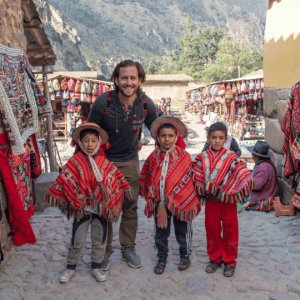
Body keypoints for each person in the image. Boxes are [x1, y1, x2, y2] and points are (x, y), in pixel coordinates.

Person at [87, 60, 157, 269]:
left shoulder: (145, 104)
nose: (128, 82)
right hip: (104, 162)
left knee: (130, 206)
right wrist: (81, 166)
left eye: (133, 78)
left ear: (140, 80)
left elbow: (158, 130)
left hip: (130, 161)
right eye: (124, 78)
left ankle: (128, 248)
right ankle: (105, 250)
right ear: (116, 80)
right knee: (105, 206)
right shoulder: (103, 102)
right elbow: (88, 132)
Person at [45, 123, 133, 283]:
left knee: (99, 240)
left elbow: (116, 180)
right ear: (80, 142)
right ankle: (70, 268)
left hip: (100, 210)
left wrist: (111, 195)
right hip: (82, 210)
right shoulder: (74, 162)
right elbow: (65, 180)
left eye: (93, 141)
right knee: (77, 240)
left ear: (99, 142)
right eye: (86, 141)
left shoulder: (104, 163)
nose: (90, 144)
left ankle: (96, 267)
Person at [139, 116, 201, 274]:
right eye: (163, 136)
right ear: (158, 137)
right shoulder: (153, 157)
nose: (166, 139)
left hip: (182, 202)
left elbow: (189, 179)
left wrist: (188, 195)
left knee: (183, 230)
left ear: (176, 137)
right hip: (160, 203)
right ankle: (161, 257)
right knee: (160, 231)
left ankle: (185, 255)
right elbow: (148, 176)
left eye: (170, 136)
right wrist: (152, 194)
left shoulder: (184, 157)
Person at [193, 122, 254, 277]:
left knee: (230, 230)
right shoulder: (203, 157)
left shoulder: (231, 157)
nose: (217, 141)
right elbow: (197, 174)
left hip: (229, 201)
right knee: (212, 229)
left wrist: (247, 180)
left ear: (226, 139)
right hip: (212, 201)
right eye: (214, 138)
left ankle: (230, 261)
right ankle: (214, 259)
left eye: (221, 138)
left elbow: (241, 171)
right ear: (208, 138)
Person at [245, 141, 279, 212]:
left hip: (263, 196)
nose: (251, 155)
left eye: (253, 154)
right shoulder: (266, 163)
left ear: (256, 156)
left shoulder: (263, 168)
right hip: (268, 193)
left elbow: (256, 186)